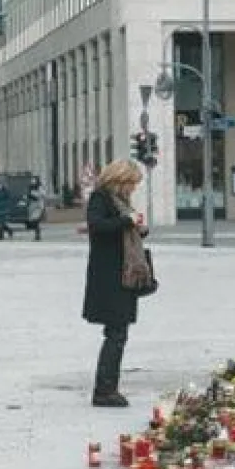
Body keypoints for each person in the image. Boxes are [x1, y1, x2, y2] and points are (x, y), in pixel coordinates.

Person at [83, 160, 150, 408]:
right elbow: (97, 226)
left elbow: (124, 232)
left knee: (118, 333)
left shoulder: (119, 201)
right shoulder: (101, 197)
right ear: (120, 179)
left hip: (123, 275)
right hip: (110, 276)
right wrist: (127, 221)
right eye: (131, 183)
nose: (133, 189)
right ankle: (104, 390)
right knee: (116, 333)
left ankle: (108, 387)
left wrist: (138, 228)